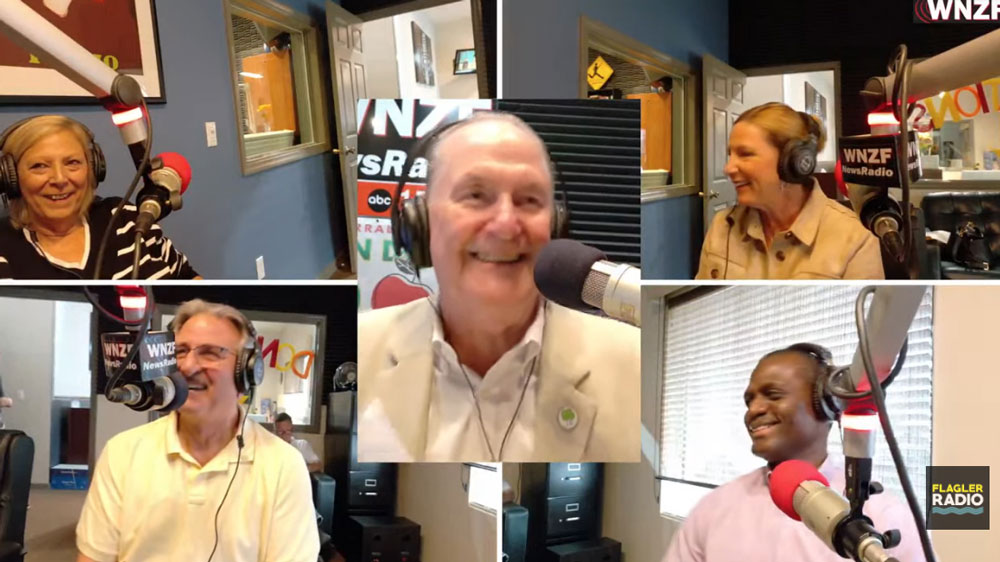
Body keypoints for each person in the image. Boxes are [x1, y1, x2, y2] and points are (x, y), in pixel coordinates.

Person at [358, 112, 640, 463]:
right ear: (421, 223)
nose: (506, 225)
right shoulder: (363, 349)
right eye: (475, 195)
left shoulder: (635, 362)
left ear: (555, 226)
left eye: (529, 200)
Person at [76, 299, 318, 562]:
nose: (188, 366)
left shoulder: (284, 465)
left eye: (210, 353)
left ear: (247, 373)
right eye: (180, 352)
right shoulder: (121, 453)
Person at [663, 344, 926, 562]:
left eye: (773, 395)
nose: (753, 410)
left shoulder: (883, 516)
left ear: (826, 405)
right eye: (749, 401)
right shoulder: (713, 509)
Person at [696, 102, 884, 280]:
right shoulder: (723, 226)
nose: (728, 168)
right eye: (730, 155)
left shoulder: (856, 239)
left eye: (745, 154)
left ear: (792, 162)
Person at [0, 115, 198, 279]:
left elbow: (189, 279)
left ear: (93, 168)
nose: (60, 179)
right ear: (11, 177)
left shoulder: (124, 217)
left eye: (72, 162)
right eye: (39, 166)